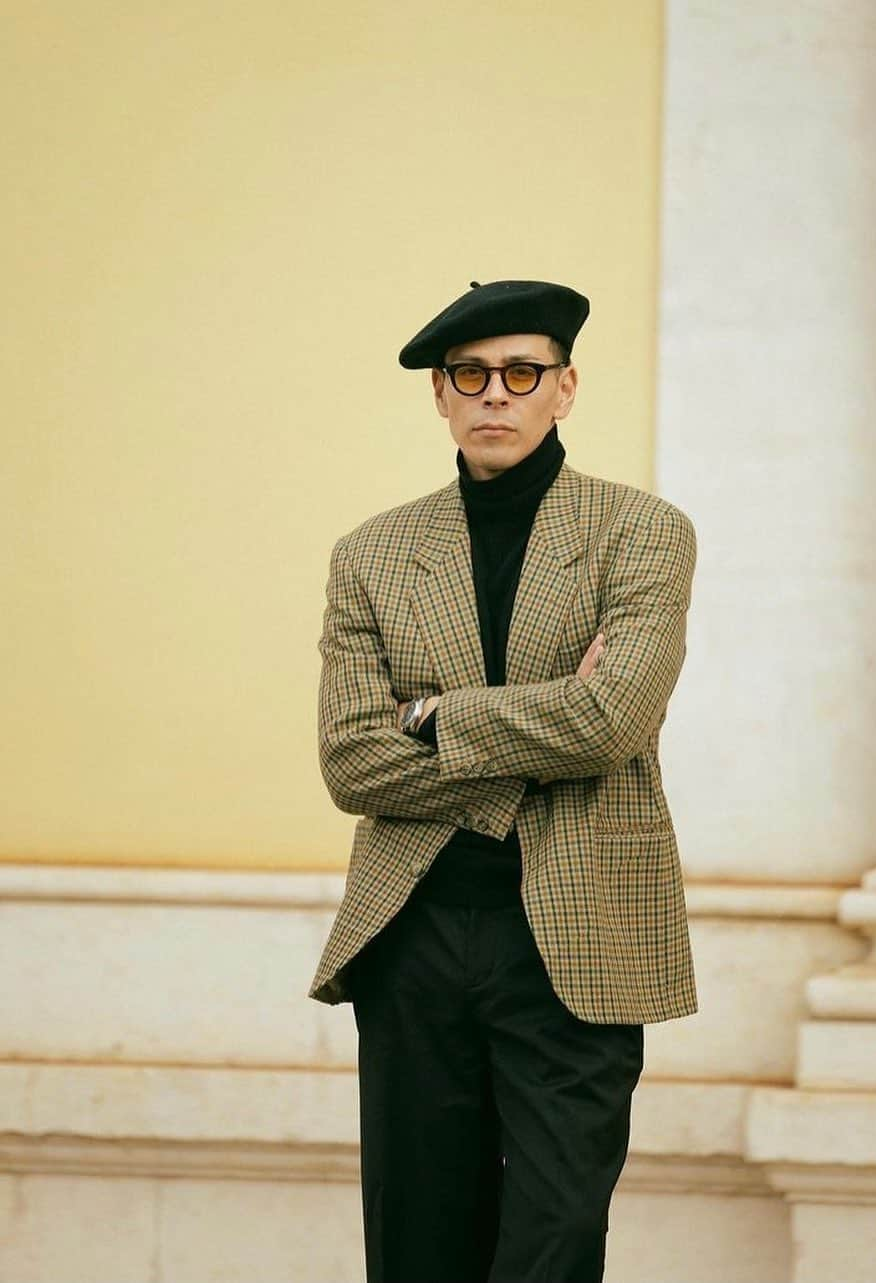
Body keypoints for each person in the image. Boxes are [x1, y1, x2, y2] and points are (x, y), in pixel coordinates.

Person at [309, 278, 699, 1283]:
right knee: (419, 1245)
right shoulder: (373, 553)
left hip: (576, 938)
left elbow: (610, 721)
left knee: (554, 1239)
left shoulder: (642, 532)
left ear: (563, 388)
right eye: (470, 375)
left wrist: (433, 715)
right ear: (440, 394)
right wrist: (543, 728)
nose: (495, 394)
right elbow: (352, 759)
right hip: (416, 932)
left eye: (520, 372)